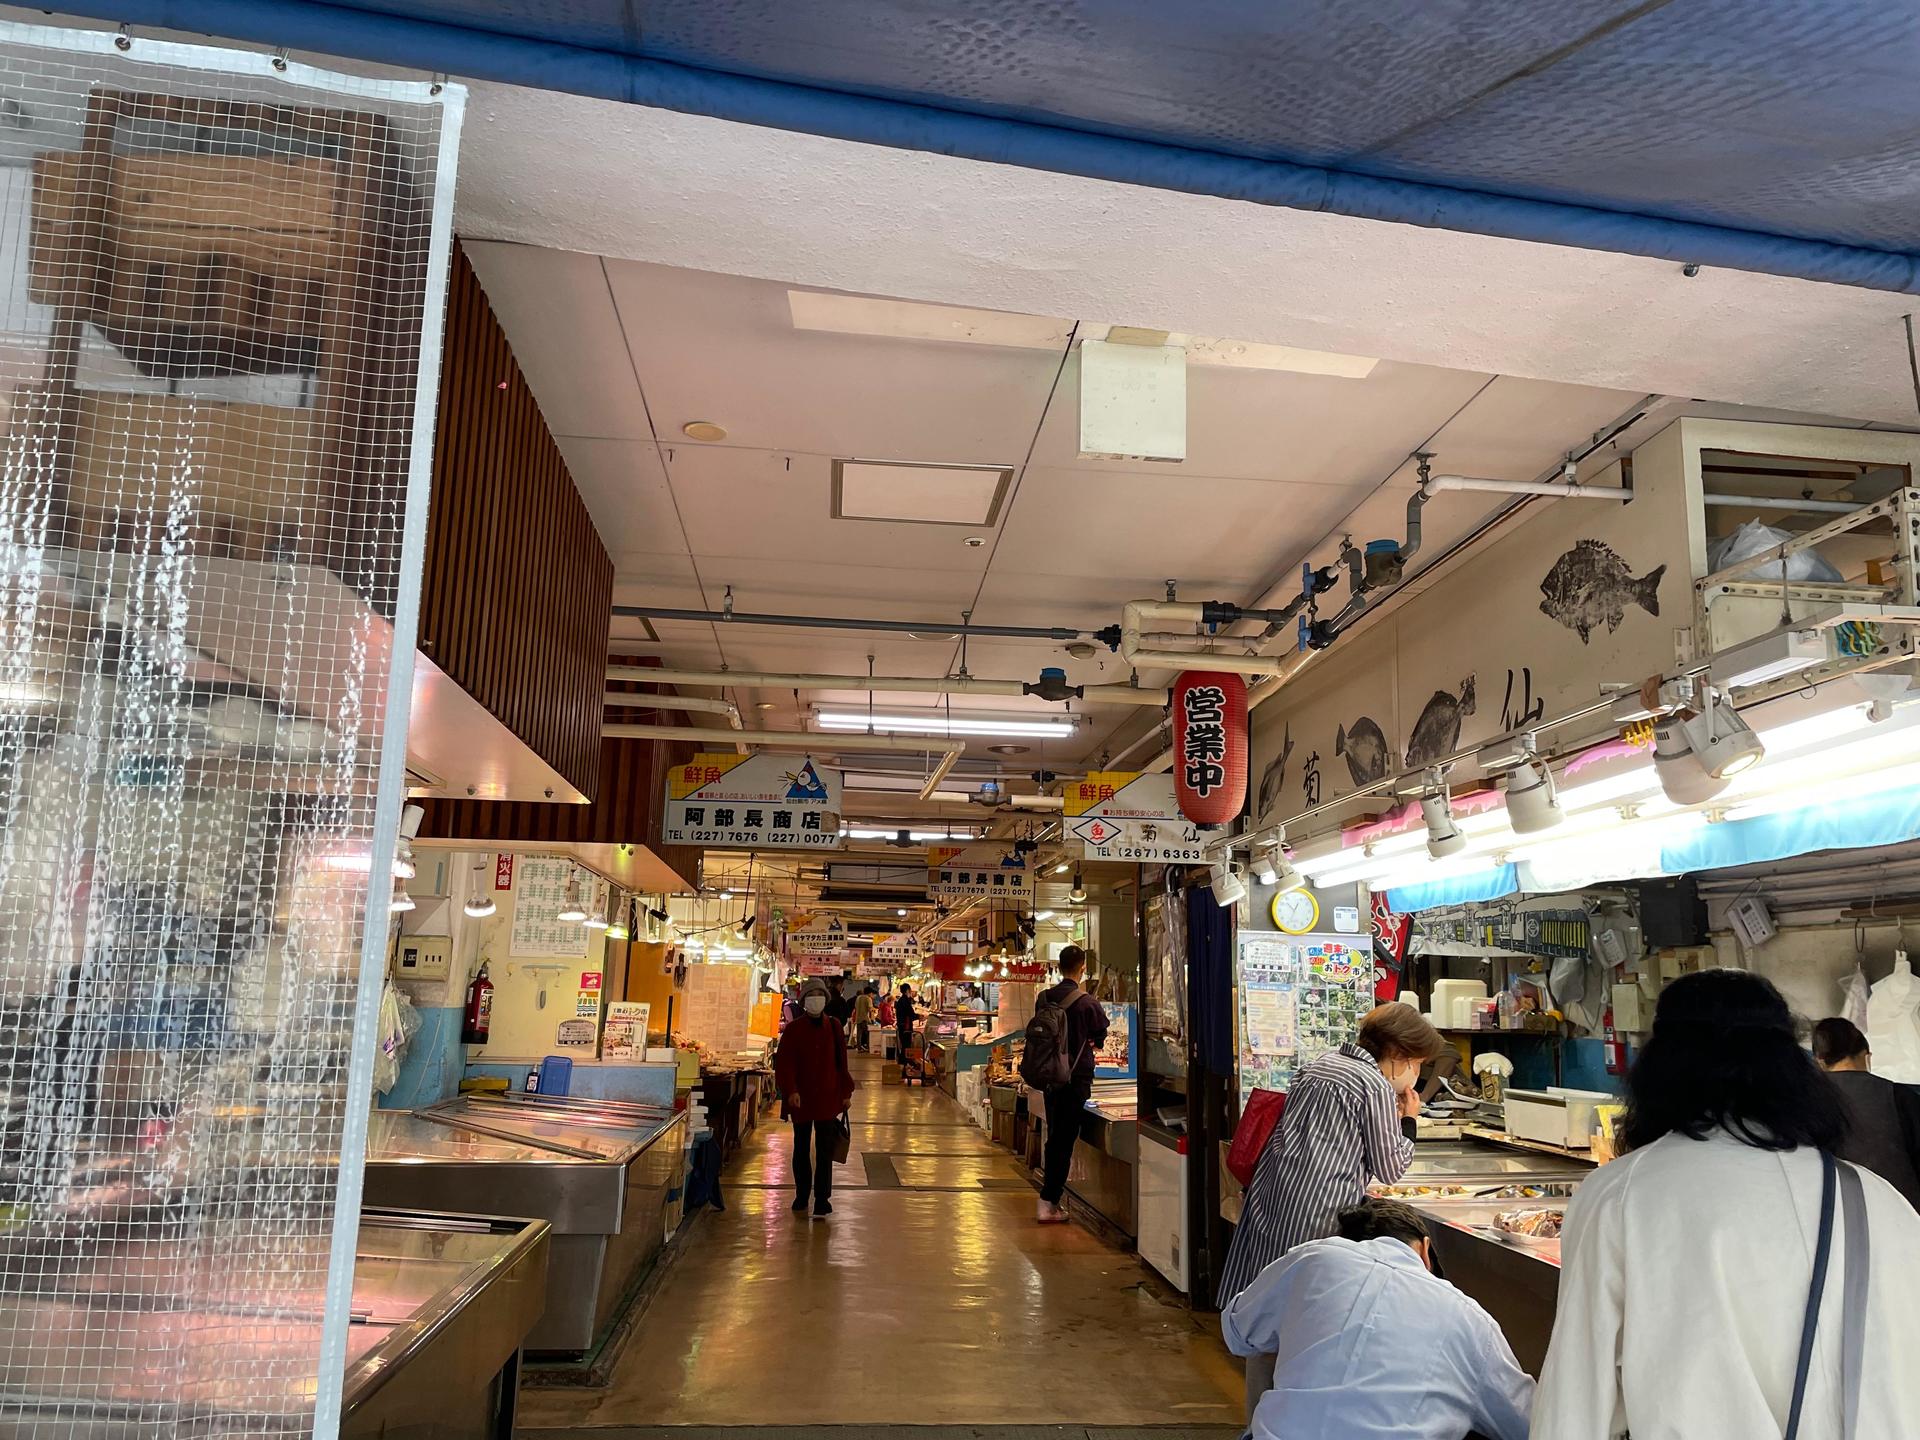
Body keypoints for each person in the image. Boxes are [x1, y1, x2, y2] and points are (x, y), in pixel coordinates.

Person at [1534, 969, 1920, 1438]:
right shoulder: (1874, 1200)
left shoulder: (1622, 1196)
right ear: (1791, 1068)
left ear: (1661, 1069)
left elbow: (1576, 1400)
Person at [1217, 1001, 1446, 1423]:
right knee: (1310, 1326)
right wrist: (1409, 1120)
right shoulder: (1373, 1084)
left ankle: (1258, 1426)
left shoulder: (1321, 1065)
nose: (1415, 1072)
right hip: (1319, 1215)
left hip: (1273, 1201)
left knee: (1269, 1318)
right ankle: (1296, 1425)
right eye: (1416, 1062)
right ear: (1397, 1055)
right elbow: (1391, 1165)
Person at [1222, 1198, 1533, 1440]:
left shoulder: (1313, 1258)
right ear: (1425, 1249)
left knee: (1263, 1336)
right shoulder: (1471, 1317)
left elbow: (1237, 1332)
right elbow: (1528, 1424)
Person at [1812, 1015, 1920, 1210]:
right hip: (1906, 1213)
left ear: (1820, 1061)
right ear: (1866, 1055)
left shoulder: (1805, 1105)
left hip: (1842, 1220)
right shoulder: (1897, 1095)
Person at [1036, 945, 1109, 1224]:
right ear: (1081, 968)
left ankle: (1048, 1197)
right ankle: (1048, 1201)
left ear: (1058, 965)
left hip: (1049, 1078)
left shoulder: (1044, 998)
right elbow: (1100, 1036)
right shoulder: (1087, 1002)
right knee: (1063, 1141)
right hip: (1075, 1080)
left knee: (1055, 1134)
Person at [773, 978, 855, 1218]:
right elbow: (785, 1064)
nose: (816, 998)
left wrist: (845, 1093)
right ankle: (801, 1194)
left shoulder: (834, 1026)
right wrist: (791, 1091)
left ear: (825, 999)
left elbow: (842, 1063)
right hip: (801, 1099)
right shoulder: (794, 1029)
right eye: (811, 994)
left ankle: (822, 1198)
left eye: (820, 994)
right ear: (804, 1000)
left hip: (828, 1097)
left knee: (824, 1150)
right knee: (800, 1148)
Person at [895, 982, 919, 1055]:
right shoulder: (905, 1000)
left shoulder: (901, 1000)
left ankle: (903, 1063)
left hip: (901, 1025)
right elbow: (910, 1013)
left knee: (904, 1045)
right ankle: (905, 1063)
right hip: (905, 1026)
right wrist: (918, 1016)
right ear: (908, 990)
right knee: (906, 1045)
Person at [853, 984, 876, 1051]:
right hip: (865, 1019)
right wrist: (873, 1017)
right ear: (870, 993)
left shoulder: (858, 997)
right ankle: (869, 1047)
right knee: (868, 1034)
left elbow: (856, 1007)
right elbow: (870, 1009)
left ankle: (859, 1048)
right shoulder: (868, 998)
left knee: (859, 1034)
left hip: (858, 1018)